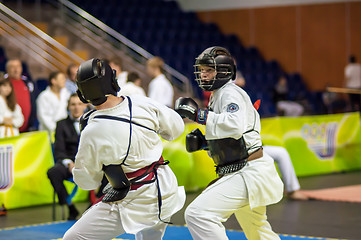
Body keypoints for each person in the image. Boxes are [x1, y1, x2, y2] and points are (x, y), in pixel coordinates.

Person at [63, 58, 185, 240]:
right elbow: (177, 129)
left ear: (82, 94)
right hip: (166, 190)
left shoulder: (92, 130)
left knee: (73, 237)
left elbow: (87, 182)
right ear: (113, 81)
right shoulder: (141, 102)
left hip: (136, 199)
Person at [175, 46, 283, 239]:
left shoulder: (230, 93)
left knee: (198, 214)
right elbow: (236, 135)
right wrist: (207, 144)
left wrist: (199, 115)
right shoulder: (219, 94)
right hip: (243, 169)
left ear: (224, 71)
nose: (204, 75)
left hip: (249, 171)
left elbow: (234, 125)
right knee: (257, 230)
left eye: (209, 70)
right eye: (202, 71)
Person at [47, 93, 87, 220]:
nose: (76, 107)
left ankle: (94, 206)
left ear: (85, 106)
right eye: (73, 104)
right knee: (53, 172)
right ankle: (71, 207)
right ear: (68, 107)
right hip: (69, 163)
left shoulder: (92, 122)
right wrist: (69, 163)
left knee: (109, 170)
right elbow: (59, 150)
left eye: (79, 104)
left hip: (89, 164)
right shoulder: (61, 125)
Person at [5, 59, 36, 132]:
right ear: (7, 69)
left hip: (27, 128)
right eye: (12, 67)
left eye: (18, 66)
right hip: (10, 128)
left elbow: (32, 102)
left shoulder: (27, 83)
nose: (16, 70)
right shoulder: (3, 84)